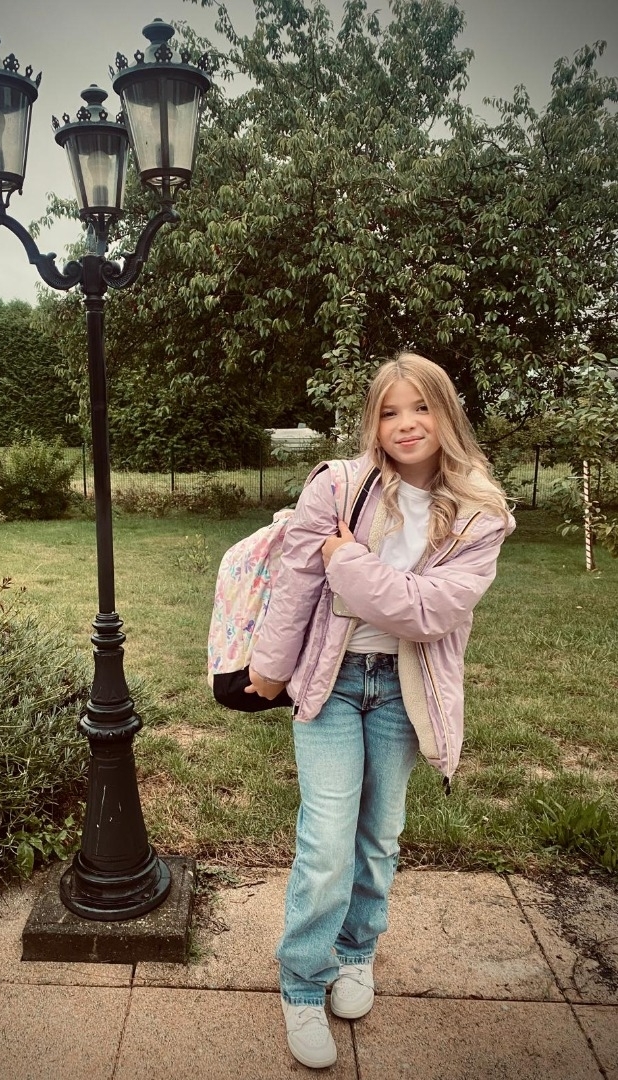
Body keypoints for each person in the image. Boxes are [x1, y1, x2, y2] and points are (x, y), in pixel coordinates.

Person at [246, 353, 515, 1069]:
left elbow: (428, 612)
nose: (406, 424)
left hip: (405, 690)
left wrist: (348, 563)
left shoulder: (481, 514)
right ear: (373, 421)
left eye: (421, 407)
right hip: (332, 683)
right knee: (327, 840)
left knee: (379, 837)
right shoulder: (337, 485)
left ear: (446, 413)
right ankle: (303, 983)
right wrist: (271, 669)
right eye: (390, 411)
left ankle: (356, 951)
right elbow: (297, 583)